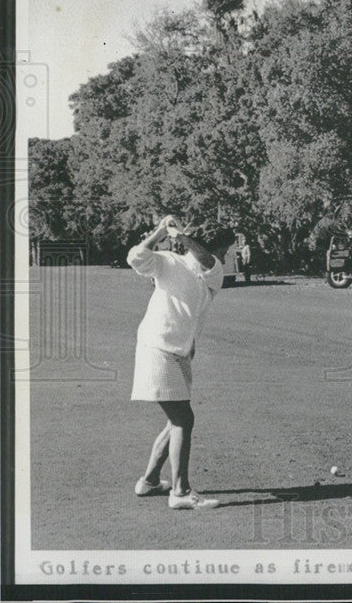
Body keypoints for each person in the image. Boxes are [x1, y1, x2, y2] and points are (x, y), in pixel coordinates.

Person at [128, 215, 236, 509]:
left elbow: (206, 259)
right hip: (157, 347)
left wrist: (180, 235)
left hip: (181, 353)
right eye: (224, 250)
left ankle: (149, 481)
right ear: (214, 245)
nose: (225, 257)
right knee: (183, 419)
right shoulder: (167, 262)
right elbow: (136, 257)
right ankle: (180, 492)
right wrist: (161, 231)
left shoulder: (212, 271)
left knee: (176, 421)